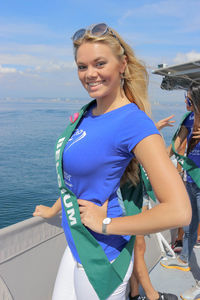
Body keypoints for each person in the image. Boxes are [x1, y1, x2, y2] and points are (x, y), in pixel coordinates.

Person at [33, 23, 191, 300]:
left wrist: (105, 225)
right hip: (76, 243)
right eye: (82, 67)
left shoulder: (133, 123)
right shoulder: (89, 114)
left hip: (101, 254)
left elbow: (179, 211)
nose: (89, 74)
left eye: (99, 63)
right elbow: (79, 182)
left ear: (122, 65)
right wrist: (52, 211)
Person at [159, 83, 200, 300]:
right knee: (189, 224)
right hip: (191, 179)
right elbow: (174, 147)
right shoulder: (188, 119)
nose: (186, 99)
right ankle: (184, 258)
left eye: (189, 96)